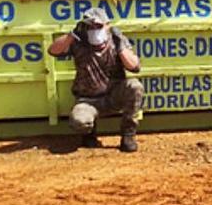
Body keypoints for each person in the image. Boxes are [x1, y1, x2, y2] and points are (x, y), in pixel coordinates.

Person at [49, 8, 144, 152]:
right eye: (89, 27)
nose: (94, 30)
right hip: (88, 100)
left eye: (98, 26)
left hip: (113, 96)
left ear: (107, 25)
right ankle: (88, 134)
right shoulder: (79, 42)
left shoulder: (117, 41)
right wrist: (71, 35)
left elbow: (134, 66)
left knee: (135, 87)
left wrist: (120, 47)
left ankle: (128, 135)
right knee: (79, 121)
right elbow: (53, 51)